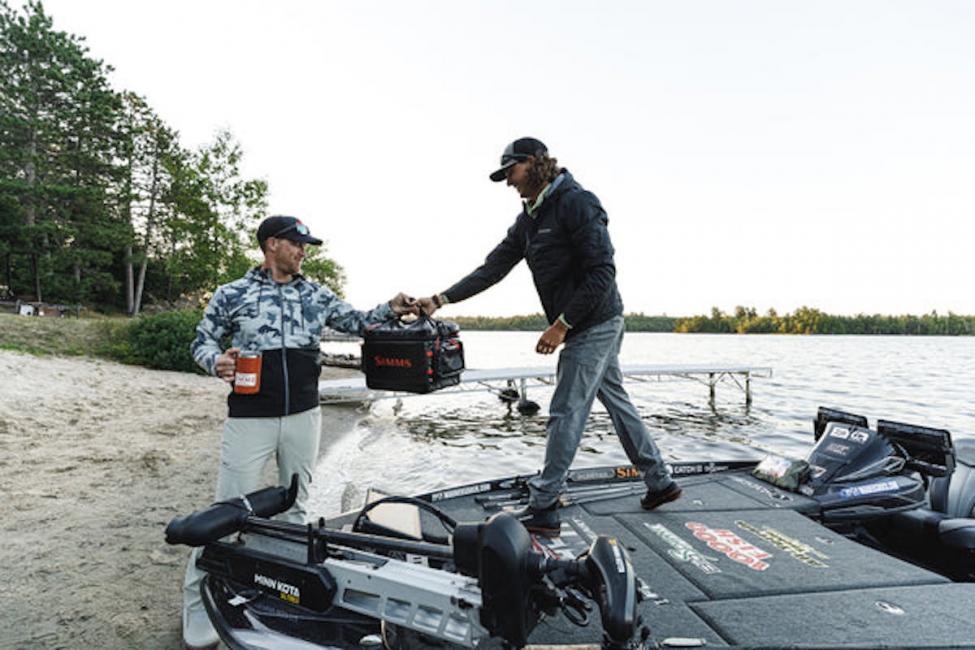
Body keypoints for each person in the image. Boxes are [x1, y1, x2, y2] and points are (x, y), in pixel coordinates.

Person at [419, 138, 680, 538]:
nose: (508, 182)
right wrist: (440, 299)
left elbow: (602, 272)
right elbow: (492, 269)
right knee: (616, 401)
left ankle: (543, 506)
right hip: (587, 324)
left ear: (533, 164)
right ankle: (659, 482)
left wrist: (561, 325)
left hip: (593, 322)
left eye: (511, 172)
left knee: (566, 410)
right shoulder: (528, 220)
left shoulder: (578, 202)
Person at [181, 215, 417, 650]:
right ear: (272, 244)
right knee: (226, 512)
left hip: (305, 416)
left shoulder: (314, 292)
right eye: (297, 243)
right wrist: (216, 362)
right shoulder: (232, 293)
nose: (303, 251)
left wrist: (393, 308)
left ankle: (277, 593)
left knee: (295, 508)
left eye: (305, 245)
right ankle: (197, 609)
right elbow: (202, 341)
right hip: (250, 418)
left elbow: (359, 320)